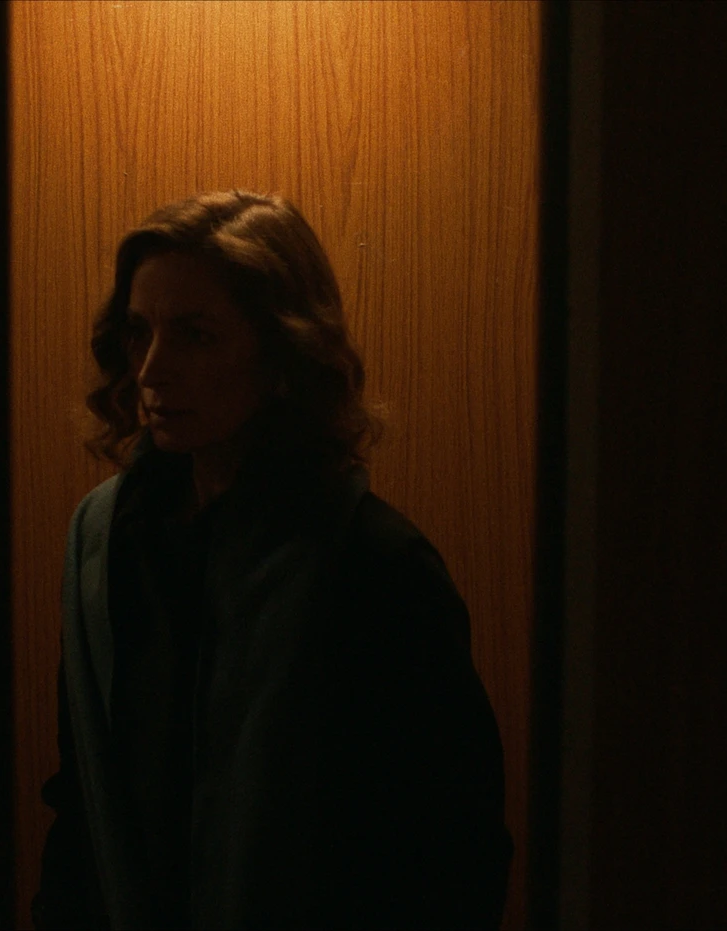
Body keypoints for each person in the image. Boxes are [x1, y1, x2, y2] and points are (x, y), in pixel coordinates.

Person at [32, 190, 511, 930]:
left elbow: (450, 852)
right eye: (138, 332)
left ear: (283, 353)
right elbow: (82, 814)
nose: (153, 369)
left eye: (195, 335)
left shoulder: (374, 564)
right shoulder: (106, 546)